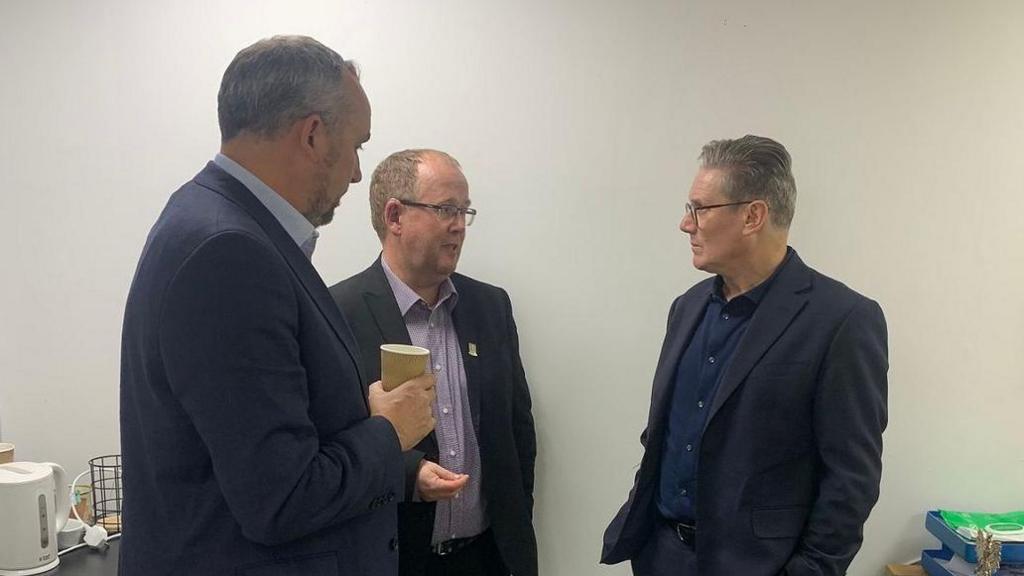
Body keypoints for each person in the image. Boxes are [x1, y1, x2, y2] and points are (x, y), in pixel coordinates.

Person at [119, 36, 436, 576]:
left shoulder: (208, 219)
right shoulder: (230, 252)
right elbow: (282, 498)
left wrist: (354, 410)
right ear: (312, 134)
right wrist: (390, 431)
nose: (358, 173)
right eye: (357, 145)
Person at [601, 135, 888, 576]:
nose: (685, 223)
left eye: (699, 208)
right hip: (661, 554)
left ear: (753, 215)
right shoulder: (688, 307)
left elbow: (851, 479)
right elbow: (667, 433)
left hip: (759, 566)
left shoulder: (842, 320)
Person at [330, 149, 538, 576]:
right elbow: (330, 443)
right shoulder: (336, 313)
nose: (459, 225)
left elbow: (518, 434)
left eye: (465, 211)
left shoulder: (490, 306)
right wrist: (408, 474)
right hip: (397, 559)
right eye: (446, 209)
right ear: (394, 216)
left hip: (488, 558)